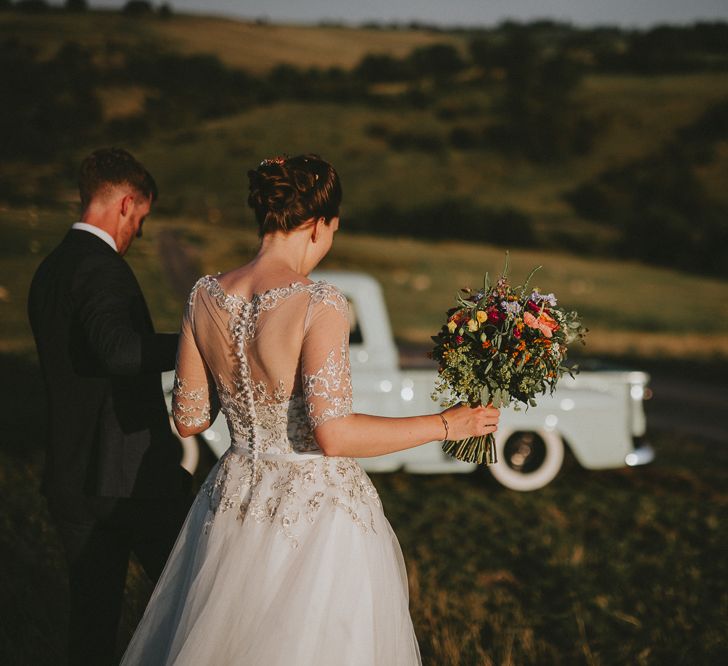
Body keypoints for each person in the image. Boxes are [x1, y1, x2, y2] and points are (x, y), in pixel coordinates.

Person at [120, 154, 499, 665]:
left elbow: (189, 418)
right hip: (314, 517)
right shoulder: (319, 302)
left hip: (233, 500)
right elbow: (335, 435)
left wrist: (237, 380)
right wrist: (448, 424)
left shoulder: (203, 295)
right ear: (321, 224)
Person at [27, 147, 192, 666]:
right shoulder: (103, 269)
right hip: (127, 484)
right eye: (141, 218)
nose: (139, 231)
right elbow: (119, 351)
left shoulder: (50, 270)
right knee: (194, 600)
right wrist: (197, 342)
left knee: (92, 627)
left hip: (71, 477)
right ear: (125, 205)